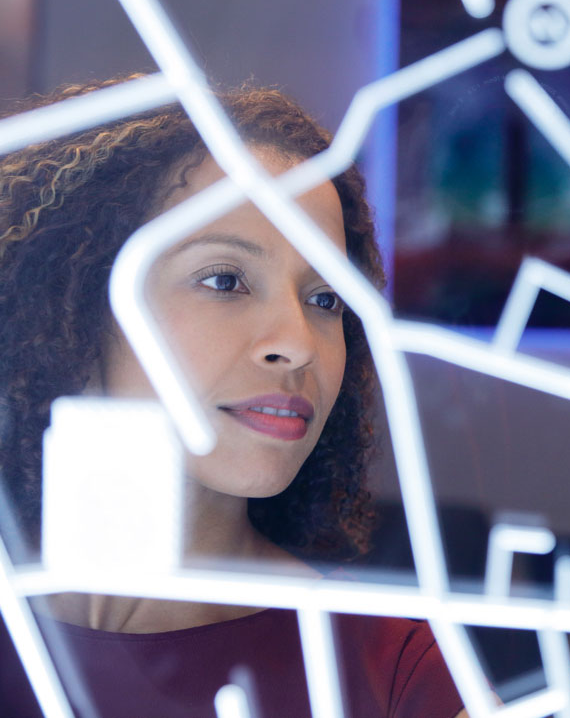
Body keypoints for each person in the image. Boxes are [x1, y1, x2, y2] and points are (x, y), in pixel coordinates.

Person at [0, 79, 468, 718]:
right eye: (225, 280)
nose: (298, 343)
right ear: (72, 305)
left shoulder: (386, 664)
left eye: (325, 298)